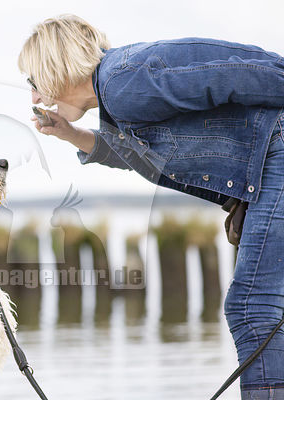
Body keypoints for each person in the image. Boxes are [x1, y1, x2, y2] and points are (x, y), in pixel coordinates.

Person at [18, 14, 284, 400]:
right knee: (257, 309)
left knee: (251, 306)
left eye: (33, 82)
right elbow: (138, 156)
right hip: (263, 170)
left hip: (276, 151)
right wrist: (70, 134)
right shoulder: (119, 101)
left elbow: (231, 68)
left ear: (54, 67)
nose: (34, 97)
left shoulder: (124, 80)